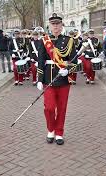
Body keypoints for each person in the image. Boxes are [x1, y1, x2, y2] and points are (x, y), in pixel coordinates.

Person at [36, 13, 77, 145]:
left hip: (64, 80)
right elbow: (41, 60)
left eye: (58, 24)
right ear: (49, 26)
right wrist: (39, 79)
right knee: (49, 107)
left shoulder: (69, 41)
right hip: (48, 79)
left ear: (61, 25)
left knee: (62, 107)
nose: (55, 26)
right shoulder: (44, 40)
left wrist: (68, 70)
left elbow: (75, 61)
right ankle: (50, 129)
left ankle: (59, 132)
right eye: (53, 24)